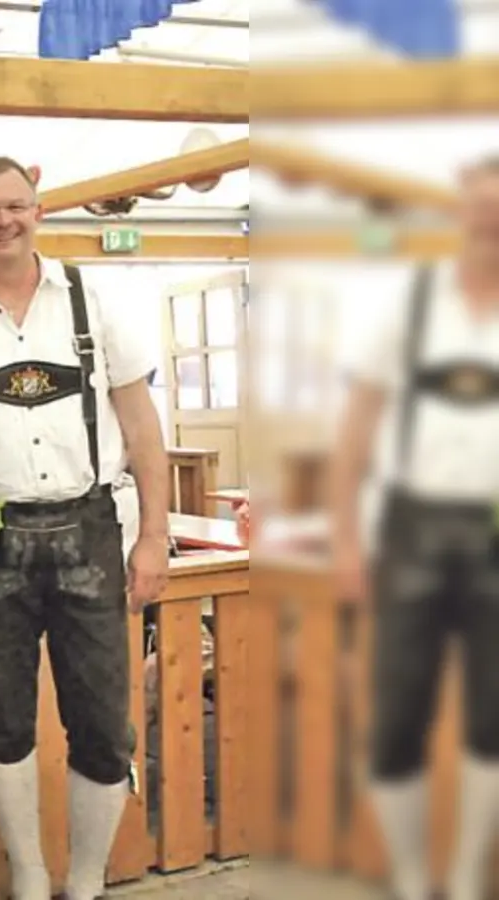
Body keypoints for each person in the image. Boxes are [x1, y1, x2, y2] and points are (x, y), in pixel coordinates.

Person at [0, 157, 172, 900]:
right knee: (4, 722)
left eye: (15, 206)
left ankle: (85, 882)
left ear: (39, 210)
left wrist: (152, 538)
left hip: (91, 528)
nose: (3, 221)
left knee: (103, 726)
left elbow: (142, 428)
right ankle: (29, 874)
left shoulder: (93, 299)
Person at [328, 155, 499, 900]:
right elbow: (356, 428)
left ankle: (463, 877)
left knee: (493, 719)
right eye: (478, 209)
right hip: (411, 527)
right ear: (459, 214)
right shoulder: (412, 302)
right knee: (396, 717)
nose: (488, 223)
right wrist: (342, 538)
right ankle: (409, 874)